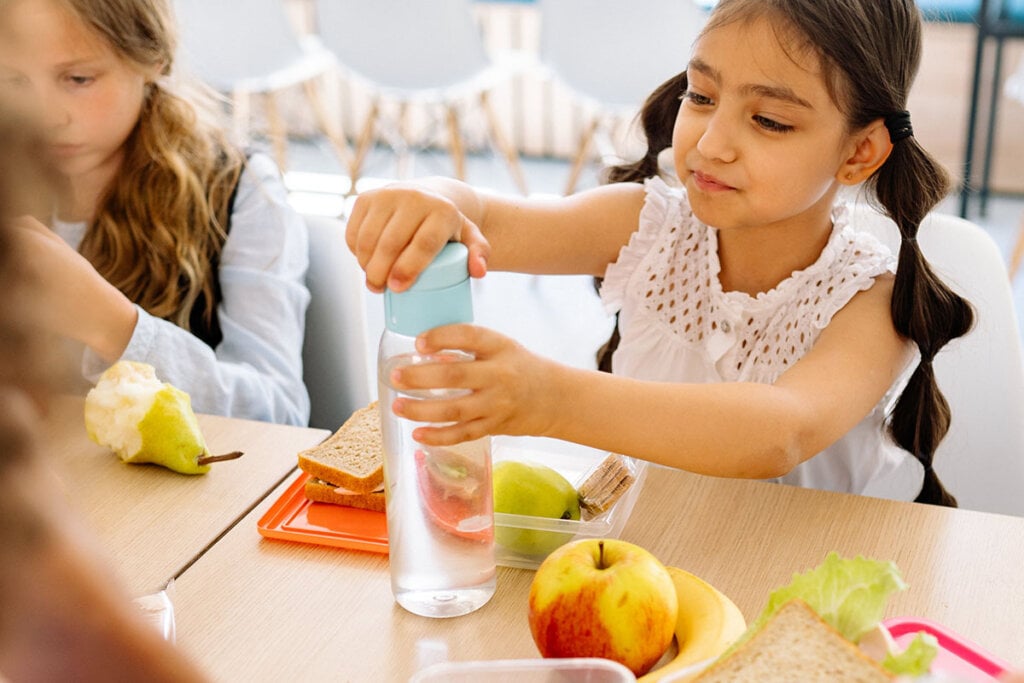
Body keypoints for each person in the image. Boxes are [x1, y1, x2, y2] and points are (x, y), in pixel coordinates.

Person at [345, 0, 974, 505]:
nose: (712, 142)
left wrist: (551, 399)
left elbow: (779, 432)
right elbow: (483, 219)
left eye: (770, 121)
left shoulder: (871, 301)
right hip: (654, 557)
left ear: (858, 152)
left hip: (807, 585)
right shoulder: (645, 225)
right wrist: (429, 196)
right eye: (701, 97)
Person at [0, 0, 311, 425]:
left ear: (153, 58)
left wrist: (112, 325)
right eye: (14, 81)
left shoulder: (238, 190)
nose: (47, 116)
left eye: (78, 78)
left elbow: (279, 414)